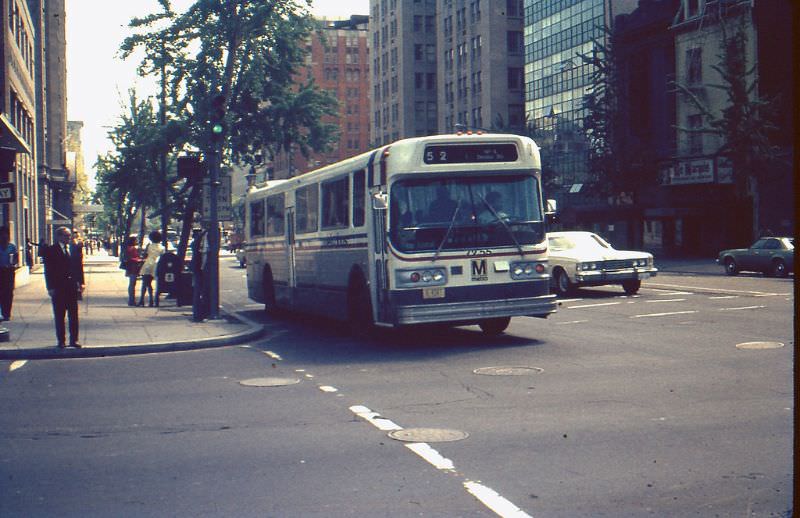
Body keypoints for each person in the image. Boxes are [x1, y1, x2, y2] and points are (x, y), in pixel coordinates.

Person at [43, 226, 84, 348]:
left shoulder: (74, 248)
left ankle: (74, 340)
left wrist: (81, 282)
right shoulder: (51, 250)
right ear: (59, 236)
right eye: (66, 235)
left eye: (69, 235)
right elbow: (48, 271)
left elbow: (78, 267)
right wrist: (50, 287)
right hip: (58, 287)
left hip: (72, 287)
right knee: (60, 315)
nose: (69, 238)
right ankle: (61, 340)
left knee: (74, 315)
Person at [138, 230, 165, 307]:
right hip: (157, 265)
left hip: (148, 265)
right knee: (157, 284)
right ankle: (153, 301)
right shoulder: (162, 247)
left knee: (145, 283)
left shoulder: (149, 246)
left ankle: (142, 300)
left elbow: (145, 255)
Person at [0, 226, 19, 321]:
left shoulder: (12, 246)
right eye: (2, 234)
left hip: (9, 272)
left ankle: (6, 313)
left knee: (8, 293)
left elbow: (16, 258)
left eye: (6, 234)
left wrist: (13, 263)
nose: (4, 236)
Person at [125, 236, 143, 306]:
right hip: (133, 267)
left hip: (129, 267)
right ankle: (132, 300)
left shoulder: (128, 248)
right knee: (132, 284)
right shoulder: (133, 249)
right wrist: (139, 259)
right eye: (135, 240)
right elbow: (133, 258)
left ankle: (131, 300)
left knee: (131, 284)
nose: (136, 241)